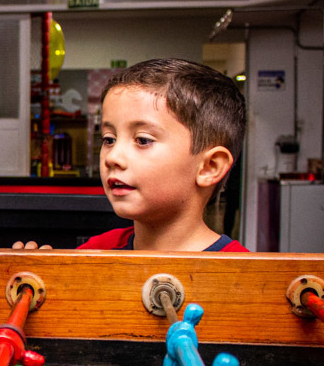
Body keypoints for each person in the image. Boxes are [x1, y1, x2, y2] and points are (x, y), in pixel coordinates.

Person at [15, 58, 248, 251]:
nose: (112, 157)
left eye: (143, 140)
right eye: (109, 139)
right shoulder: (94, 253)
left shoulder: (249, 276)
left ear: (210, 167)